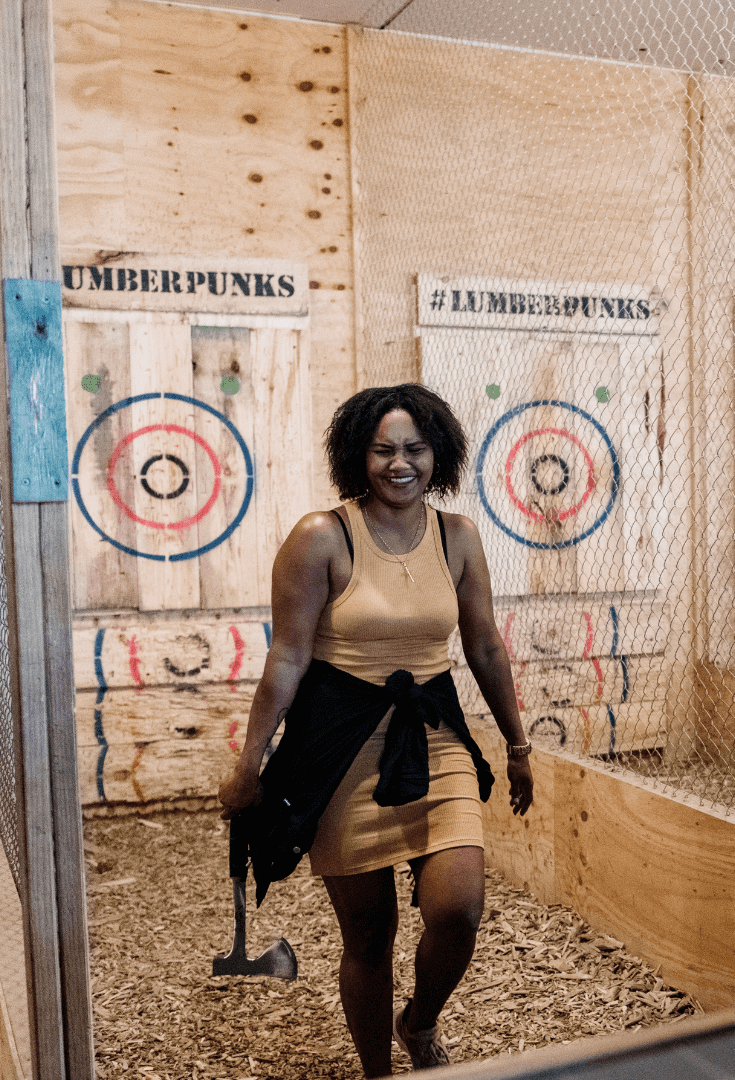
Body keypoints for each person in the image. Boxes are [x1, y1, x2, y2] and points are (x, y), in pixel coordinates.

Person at [217, 384, 534, 1076]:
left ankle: (418, 1022)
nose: (400, 463)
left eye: (415, 449)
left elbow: (484, 648)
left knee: (458, 910)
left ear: (437, 454)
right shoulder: (320, 536)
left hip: (434, 736)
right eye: (383, 449)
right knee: (368, 933)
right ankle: (378, 1073)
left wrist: (516, 745)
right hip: (341, 748)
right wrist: (249, 765)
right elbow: (288, 656)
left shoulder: (459, 537)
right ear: (358, 456)